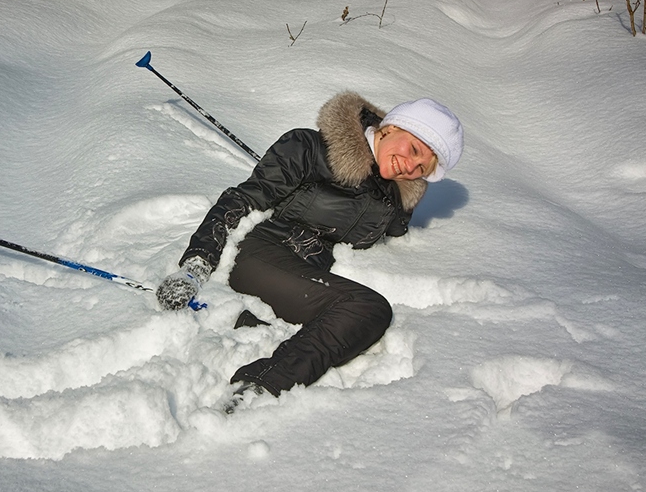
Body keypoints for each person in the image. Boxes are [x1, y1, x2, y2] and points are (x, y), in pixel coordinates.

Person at [156, 91, 463, 412]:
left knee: (353, 318)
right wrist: (195, 266)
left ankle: (249, 332)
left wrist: (401, 196)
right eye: (414, 149)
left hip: (302, 277)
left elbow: (394, 227)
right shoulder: (310, 148)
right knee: (369, 309)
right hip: (259, 254)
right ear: (391, 127)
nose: (411, 167)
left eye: (422, 169)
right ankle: (263, 384)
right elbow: (240, 201)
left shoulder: (390, 198)